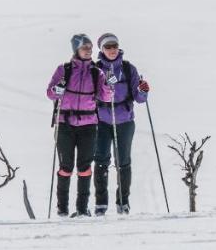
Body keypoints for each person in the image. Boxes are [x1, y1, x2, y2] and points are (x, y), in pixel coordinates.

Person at [46, 34, 113, 217]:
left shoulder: (96, 72)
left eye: (90, 48)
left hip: (88, 125)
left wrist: (107, 85)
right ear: (76, 49)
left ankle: (82, 209)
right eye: (85, 47)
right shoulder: (64, 69)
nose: (89, 51)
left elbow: (106, 97)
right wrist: (57, 90)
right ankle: (62, 209)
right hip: (65, 124)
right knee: (66, 166)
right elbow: (50, 94)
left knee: (84, 167)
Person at [94, 32, 150, 215]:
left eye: (114, 46)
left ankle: (123, 202)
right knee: (101, 160)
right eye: (107, 47)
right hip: (101, 121)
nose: (111, 50)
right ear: (101, 49)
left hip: (124, 121)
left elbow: (139, 98)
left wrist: (143, 91)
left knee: (123, 162)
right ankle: (101, 204)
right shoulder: (95, 69)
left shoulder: (128, 68)